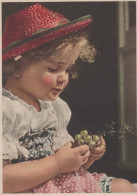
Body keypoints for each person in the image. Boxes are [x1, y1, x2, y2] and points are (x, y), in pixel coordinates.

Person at [2, 3, 137, 193]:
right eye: (53, 69)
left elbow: (70, 170)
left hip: (65, 184)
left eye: (67, 69)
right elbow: (3, 181)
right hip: (33, 189)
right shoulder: (7, 110)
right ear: (17, 67)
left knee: (123, 186)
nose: (63, 77)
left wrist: (85, 156)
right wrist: (56, 163)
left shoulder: (54, 108)